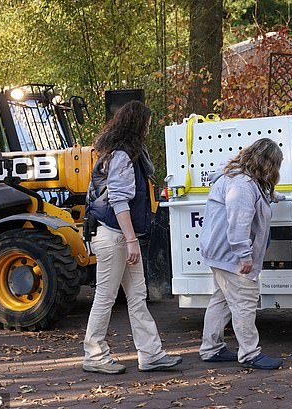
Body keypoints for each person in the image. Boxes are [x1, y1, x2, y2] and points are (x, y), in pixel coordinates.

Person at [82, 100, 182, 374]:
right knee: (106, 296)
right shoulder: (123, 156)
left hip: (118, 236)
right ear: (138, 124)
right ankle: (94, 354)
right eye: (147, 123)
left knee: (137, 295)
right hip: (117, 237)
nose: (149, 127)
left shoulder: (119, 154)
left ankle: (150, 353)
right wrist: (131, 240)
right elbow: (119, 200)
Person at [199, 137, 285, 370]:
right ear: (267, 164)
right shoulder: (243, 185)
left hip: (218, 253)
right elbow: (239, 222)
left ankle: (211, 348)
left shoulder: (237, 178)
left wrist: (273, 197)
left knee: (222, 300)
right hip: (232, 256)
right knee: (244, 302)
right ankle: (249, 354)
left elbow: (251, 202)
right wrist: (244, 256)